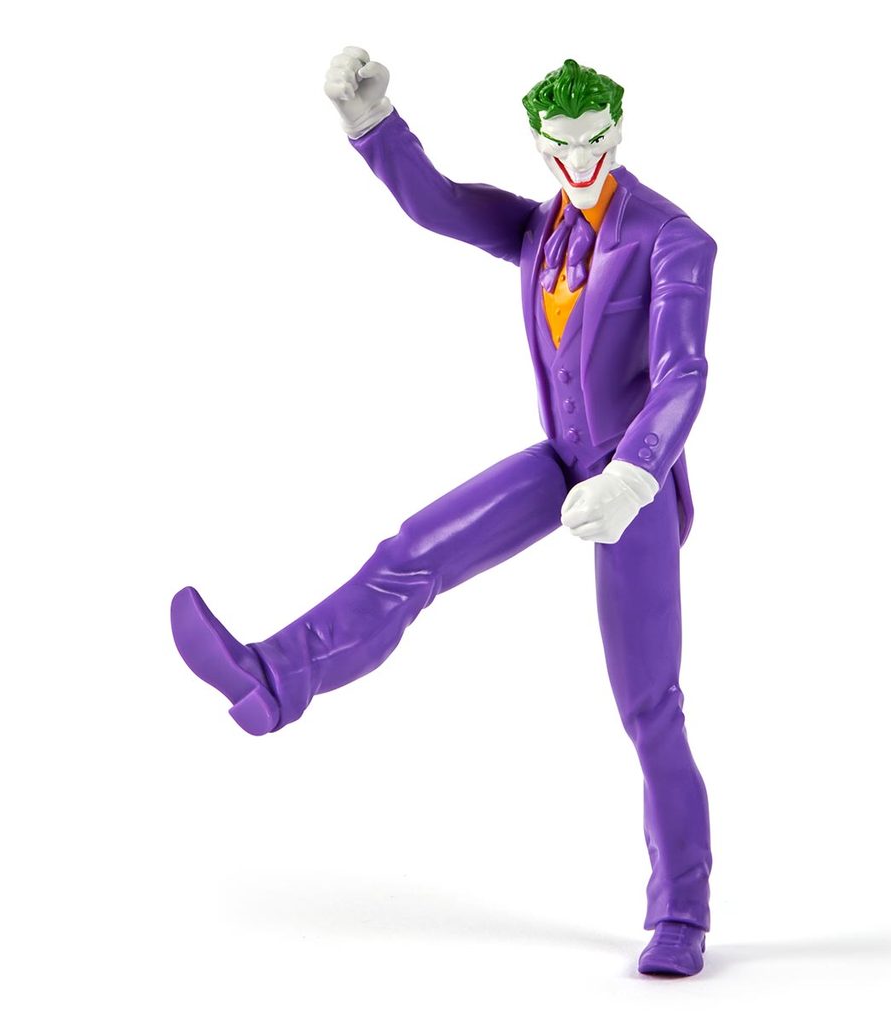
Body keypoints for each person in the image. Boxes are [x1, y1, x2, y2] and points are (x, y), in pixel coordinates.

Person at [171, 47, 717, 977]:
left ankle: (682, 913)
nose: (580, 161)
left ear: (618, 131)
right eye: (561, 146)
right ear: (540, 144)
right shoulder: (541, 225)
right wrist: (373, 124)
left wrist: (633, 476)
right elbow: (443, 204)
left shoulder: (672, 238)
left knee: (649, 704)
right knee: (413, 551)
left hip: (635, 485)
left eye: (595, 142)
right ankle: (272, 678)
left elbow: (682, 372)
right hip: (558, 459)